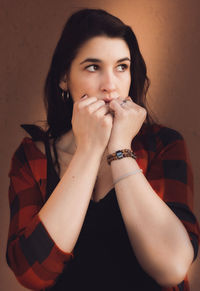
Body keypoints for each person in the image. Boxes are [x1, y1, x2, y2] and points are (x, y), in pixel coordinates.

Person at [6, 8, 199, 291]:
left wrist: (119, 148)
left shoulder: (164, 146)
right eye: (93, 67)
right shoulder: (32, 158)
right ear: (64, 78)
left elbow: (172, 267)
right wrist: (88, 149)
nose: (110, 86)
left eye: (122, 67)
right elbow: (32, 274)